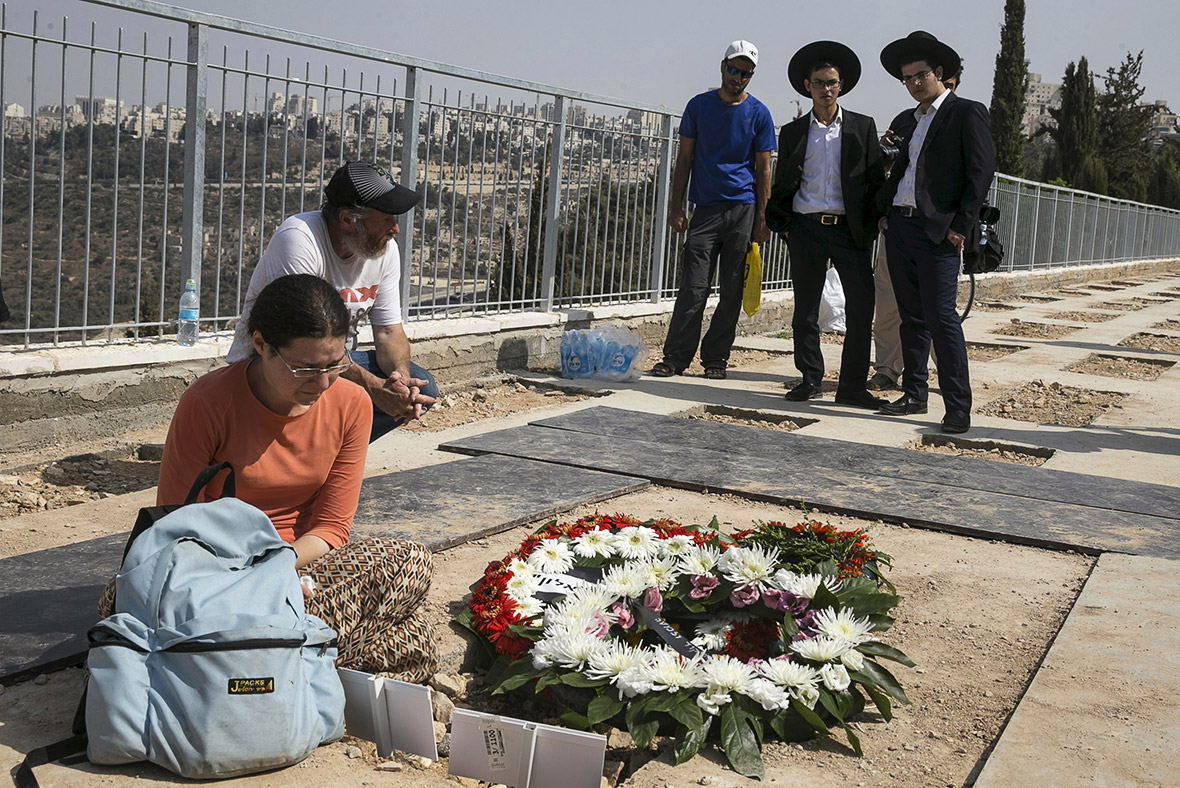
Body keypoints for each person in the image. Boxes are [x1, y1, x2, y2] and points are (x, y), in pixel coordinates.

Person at [101, 274, 437, 681]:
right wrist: (254, 580)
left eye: (335, 365)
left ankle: (240, 657)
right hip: (213, 573)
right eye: (306, 368)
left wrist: (279, 570)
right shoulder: (208, 403)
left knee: (409, 562)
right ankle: (293, 655)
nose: (322, 382)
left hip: (299, 563)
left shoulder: (351, 404)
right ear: (261, 345)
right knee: (405, 636)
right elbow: (174, 525)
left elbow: (331, 528)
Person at [227, 161, 437, 442]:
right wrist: (372, 387)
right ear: (348, 219)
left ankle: (324, 454)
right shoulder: (299, 239)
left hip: (334, 364)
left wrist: (397, 380)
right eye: (386, 218)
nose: (395, 229)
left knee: (425, 389)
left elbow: (389, 331)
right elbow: (300, 342)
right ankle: (282, 447)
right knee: (322, 384)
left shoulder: (384, 251)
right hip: (282, 364)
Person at [875, 31, 994, 434]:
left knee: (942, 318)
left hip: (940, 232)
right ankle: (914, 394)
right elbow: (899, 171)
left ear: (939, 73)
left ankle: (958, 407)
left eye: (920, 76)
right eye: (906, 79)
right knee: (911, 317)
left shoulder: (967, 112)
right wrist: (884, 214)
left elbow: (980, 173)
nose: (913, 84)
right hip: (900, 226)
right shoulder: (905, 120)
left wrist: (961, 227)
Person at [766, 41, 886, 408]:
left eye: (832, 82)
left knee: (862, 307)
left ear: (842, 85)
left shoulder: (862, 127)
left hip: (849, 231)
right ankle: (810, 378)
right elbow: (783, 180)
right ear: (807, 86)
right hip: (806, 229)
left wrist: (873, 222)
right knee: (805, 310)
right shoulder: (792, 132)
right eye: (819, 83)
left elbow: (874, 181)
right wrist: (786, 225)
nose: (826, 89)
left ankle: (851, 387)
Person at [650, 40, 776, 380]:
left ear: (751, 76)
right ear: (722, 67)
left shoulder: (759, 113)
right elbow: (685, 159)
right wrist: (676, 207)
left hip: (742, 209)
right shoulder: (698, 107)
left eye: (745, 73)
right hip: (704, 209)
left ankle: (716, 359)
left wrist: (762, 221)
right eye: (733, 70)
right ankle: (675, 357)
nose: (738, 77)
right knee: (693, 287)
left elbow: (764, 170)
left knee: (732, 290)